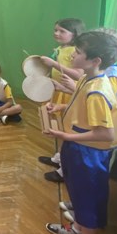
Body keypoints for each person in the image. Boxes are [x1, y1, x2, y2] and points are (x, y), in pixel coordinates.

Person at [43, 30, 117, 234]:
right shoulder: (88, 79)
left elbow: (106, 133)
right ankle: (78, 227)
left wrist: (65, 135)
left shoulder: (98, 90)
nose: (72, 56)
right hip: (77, 146)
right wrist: (60, 108)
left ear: (95, 60)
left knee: (88, 197)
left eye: (78, 53)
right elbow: (81, 105)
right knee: (78, 193)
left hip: (88, 152)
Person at [38, 18, 86, 183]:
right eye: (55, 30)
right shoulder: (61, 48)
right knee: (60, 126)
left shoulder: (75, 51)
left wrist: (54, 64)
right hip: (59, 92)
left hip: (69, 95)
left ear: (74, 34)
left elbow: (78, 75)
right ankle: (59, 158)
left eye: (62, 31)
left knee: (67, 130)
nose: (56, 33)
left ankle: (63, 170)